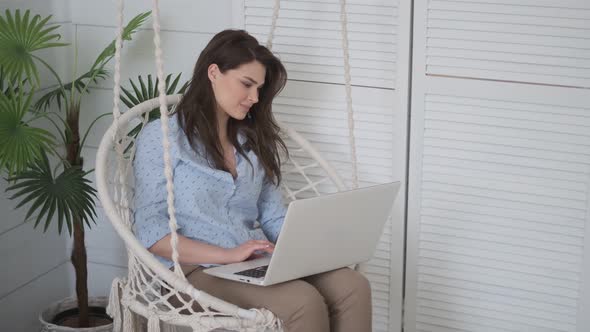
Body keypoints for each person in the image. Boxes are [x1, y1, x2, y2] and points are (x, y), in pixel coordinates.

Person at [133, 29, 371, 332]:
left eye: (259, 88)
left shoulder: (251, 141)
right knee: (303, 302)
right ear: (214, 72)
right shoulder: (163, 137)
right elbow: (151, 233)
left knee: (352, 286)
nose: (255, 98)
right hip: (192, 272)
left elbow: (273, 216)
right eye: (247, 84)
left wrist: (315, 248)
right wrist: (228, 255)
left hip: (253, 263)